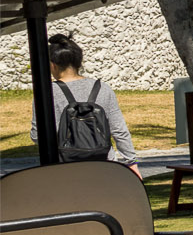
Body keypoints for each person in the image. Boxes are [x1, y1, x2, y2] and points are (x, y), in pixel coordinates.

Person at [48, 34, 140, 168]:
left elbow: (37, 135)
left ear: (53, 65)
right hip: (104, 165)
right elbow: (119, 131)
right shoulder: (103, 88)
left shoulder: (47, 92)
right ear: (78, 62)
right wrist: (131, 163)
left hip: (65, 167)